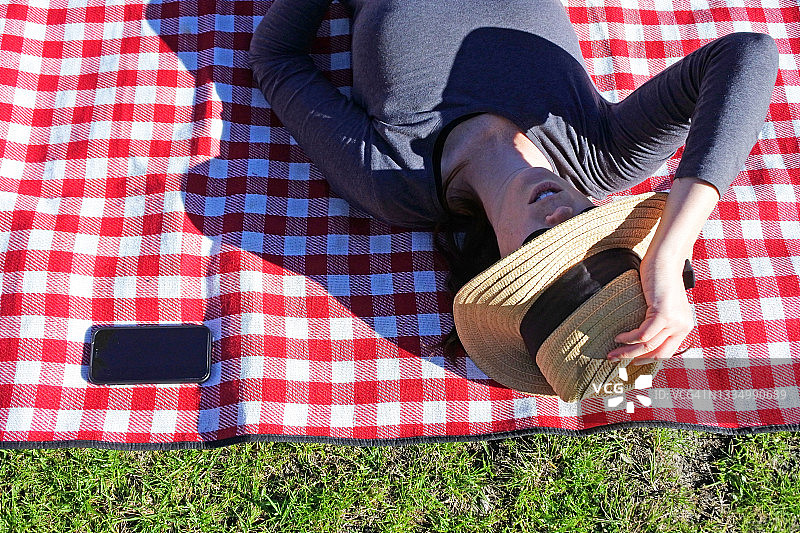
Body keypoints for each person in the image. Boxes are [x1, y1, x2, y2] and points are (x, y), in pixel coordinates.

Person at [248, 0, 779, 371]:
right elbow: (746, 54)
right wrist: (668, 253)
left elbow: (276, 58)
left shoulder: (393, 179)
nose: (560, 215)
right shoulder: (602, 154)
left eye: (542, 244)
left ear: (501, 264)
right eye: (584, 226)